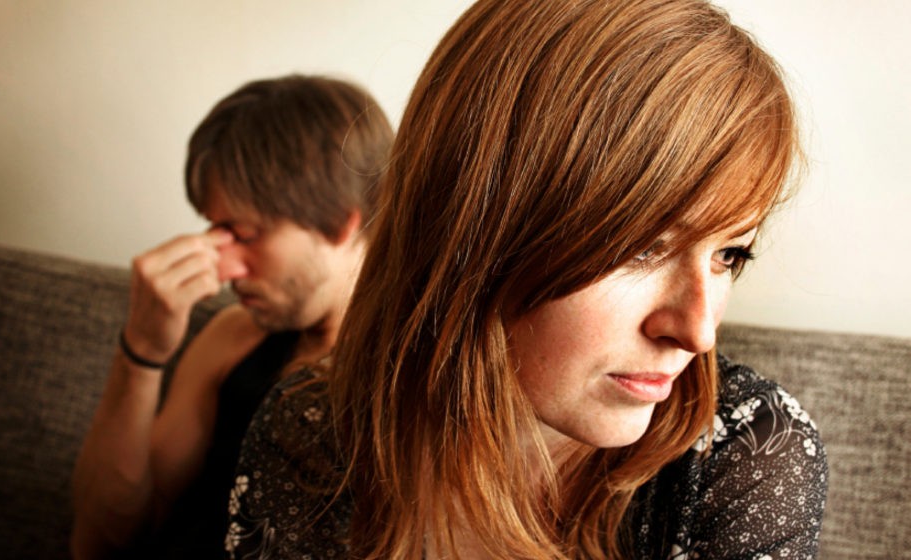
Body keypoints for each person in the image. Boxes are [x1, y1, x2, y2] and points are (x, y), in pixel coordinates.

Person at [226, 1, 828, 558]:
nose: (698, 332)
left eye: (730, 255)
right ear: (474, 223)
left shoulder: (748, 454)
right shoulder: (312, 432)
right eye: (641, 247)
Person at [70, 74, 393, 559]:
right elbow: (102, 542)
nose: (224, 269)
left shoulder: (411, 377)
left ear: (341, 222)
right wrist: (141, 352)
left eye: (244, 234)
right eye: (215, 231)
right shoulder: (235, 336)